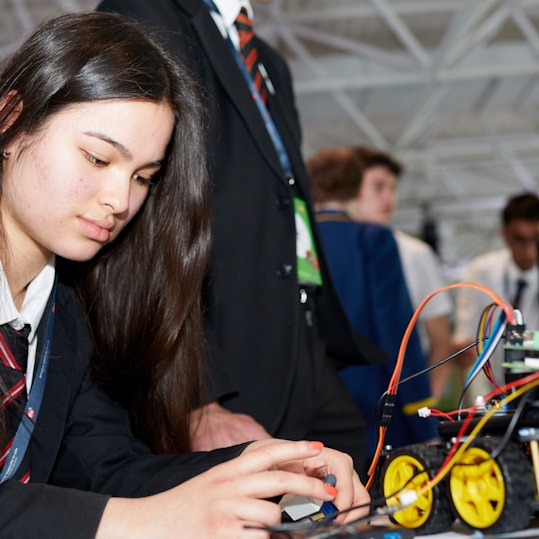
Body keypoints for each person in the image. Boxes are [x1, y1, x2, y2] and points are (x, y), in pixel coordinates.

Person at [0, 12, 369, 537]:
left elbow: (109, 470)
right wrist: (142, 520)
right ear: (10, 120)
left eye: (144, 177)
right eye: (97, 157)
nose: (120, 200)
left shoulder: (63, 319)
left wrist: (260, 467)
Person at [96, 0, 386, 474]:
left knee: (363, 494)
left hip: (304, 342)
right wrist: (196, 400)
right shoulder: (145, 12)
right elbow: (145, 222)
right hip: (222, 357)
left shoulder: (269, 62)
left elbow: (279, 195)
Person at [306, 148, 436, 466]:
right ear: (354, 187)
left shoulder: (294, 241)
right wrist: (421, 414)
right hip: (376, 409)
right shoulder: (372, 238)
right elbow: (396, 329)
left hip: (311, 409)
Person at [349, 146, 454, 404]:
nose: (389, 198)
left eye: (392, 188)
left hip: (403, 398)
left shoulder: (416, 253)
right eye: (378, 186)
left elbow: (441, 341)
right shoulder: (327, 250)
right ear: (349, 188)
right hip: (346, 400)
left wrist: (427, 402)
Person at [453, 192, 539, 396]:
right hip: (496, 394)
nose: (528, 251)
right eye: (520, 240)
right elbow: (466, 346)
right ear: (505, 235)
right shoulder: (481, 271)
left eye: (536, 240)